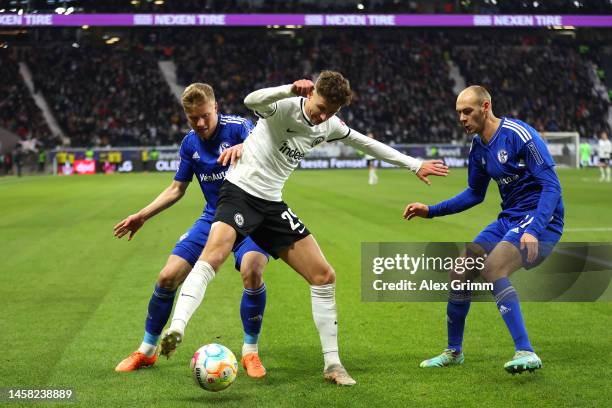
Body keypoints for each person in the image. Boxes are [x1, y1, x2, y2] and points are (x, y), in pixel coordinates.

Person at [160, 71, 449, 386]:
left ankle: (333, 365)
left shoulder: (329, 124)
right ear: (310, 94)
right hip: (240, 192)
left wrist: (413, 164)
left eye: (331, 112)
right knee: (213, 255)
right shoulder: (284, 106)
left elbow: (365, 143)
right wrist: (287, 88)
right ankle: (177, 326)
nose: (322, 116)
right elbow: (250, 100)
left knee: (324, 275)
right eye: (320, 107)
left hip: (272, 204)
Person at [403, 85, 564, 374]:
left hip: (541, 218)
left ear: (485, 107)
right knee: (461, 270)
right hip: (510, 218)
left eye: (467, 111)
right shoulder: (478, 147)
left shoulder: (519, 134)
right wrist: (430, 210)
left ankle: (526, 351)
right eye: (458, 113)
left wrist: (534, 229)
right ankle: (454, 351)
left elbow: (552, 186)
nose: (462, 118)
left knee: (493, 268)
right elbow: (474, 194)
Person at [113, 83, 270, 378]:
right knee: (167, 276)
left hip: (251, 218)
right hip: (213, 218)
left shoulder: (239, 128)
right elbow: (176, 189)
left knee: (252, 269)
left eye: (205, 116)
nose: (200, 123)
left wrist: (246, 147)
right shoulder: (189, 144)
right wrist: (142, 216)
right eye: (193, 118)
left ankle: (251, 352)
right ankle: (147, 351)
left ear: (216, 108)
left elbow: (267, 144)